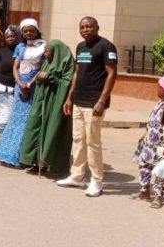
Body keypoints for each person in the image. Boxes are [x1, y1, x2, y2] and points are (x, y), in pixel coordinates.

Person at [56, 16, 117, 198]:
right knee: (78, 140)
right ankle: (76, 176)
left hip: (94, 103)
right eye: (82, 27)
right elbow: (77, 73)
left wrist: (101, 100)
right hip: (79, 101)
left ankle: (97, 181)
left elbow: (112, 73)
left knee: (93, 143)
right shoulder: (80, 47)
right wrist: (69, 97)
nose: (85, 29)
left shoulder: (106, 46)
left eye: (89, 26)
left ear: (97, 27)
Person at [19, 39, 75, 173]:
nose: (45, 54)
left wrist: (50, 77)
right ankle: (34, 160)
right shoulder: (46, 64)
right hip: (41, 101)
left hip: (55, 103)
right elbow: (40, 78)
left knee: (51, 130)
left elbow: (65, 84)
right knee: (34, 127)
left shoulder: (66, 65)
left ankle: (49, 162)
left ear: (57, 52)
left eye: (47, 51)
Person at [0, 18, 45, 168]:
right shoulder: (20, 47)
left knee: (28, 120)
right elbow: (15, 67)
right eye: (26, 31)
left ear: (37, 30)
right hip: (20, 86)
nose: (29, 33)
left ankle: (24, 156)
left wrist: (29, 84)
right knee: (16, 118)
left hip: (33, 86)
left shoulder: (43, 47)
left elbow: (43, 69)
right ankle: (8, 152)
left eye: (31, 30)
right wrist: (20, 83)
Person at [129, 74, 164, 209]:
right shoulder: (160, 103)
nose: (156, 89)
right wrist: (145, 134)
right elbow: (153, 122)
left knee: (159, 170)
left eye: (158, 87)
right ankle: (144, 192)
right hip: (150, 143)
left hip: (162, 145)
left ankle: (158, 197)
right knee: (144, 165)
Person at [0, 25, 21, 147]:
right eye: (8, 36)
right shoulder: (0, 53)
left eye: (13, 36)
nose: (10, 38)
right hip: (3, 90)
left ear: (18, 37)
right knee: (4, 118)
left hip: (18, 91)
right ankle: (0, 144)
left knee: (13, 118)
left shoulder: (22, 52)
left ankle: (6, 144)